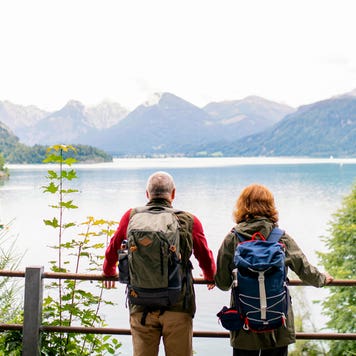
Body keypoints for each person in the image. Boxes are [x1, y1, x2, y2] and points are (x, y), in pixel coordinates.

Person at [103, 171, 216, 356]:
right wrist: (210, 276)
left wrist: (108, 271)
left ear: (147, 194)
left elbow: (113, 248)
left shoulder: (130, 216)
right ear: (173, 194)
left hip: (140, 304)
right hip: (178, 305)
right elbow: (204, 256)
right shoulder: (188, 220)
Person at [215, 183, 333, 356]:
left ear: (242, 206)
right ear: (270, 206)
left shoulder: (233, 238)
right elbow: (304, 269)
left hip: (244, 322)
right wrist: (322, 278)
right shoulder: (281, 237)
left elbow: (223, 283)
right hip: (279, 322)